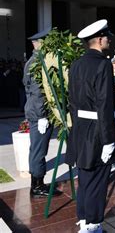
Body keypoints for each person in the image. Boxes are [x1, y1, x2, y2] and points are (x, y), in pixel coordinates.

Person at [66, 19, 115, 232]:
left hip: (81, 129)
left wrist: (75, 131)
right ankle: (92, 225)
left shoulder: (76, 64)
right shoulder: (103, 64)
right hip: (98, 131)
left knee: (85, 179)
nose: (109, 39)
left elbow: (72, 101)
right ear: (99, 39)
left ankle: (83, 219)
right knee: (98, 181)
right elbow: (104, 105)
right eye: (107, 36)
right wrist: (108, 141)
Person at [23, 29, 62, 198]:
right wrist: (42, 116)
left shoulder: (34, 61)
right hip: (39, 113)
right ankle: (37, 186)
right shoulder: (37, 63)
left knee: (37, 149)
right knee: (39, 150)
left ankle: (37, 183)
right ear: (38, 44)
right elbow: (38, 91)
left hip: (36, 110)